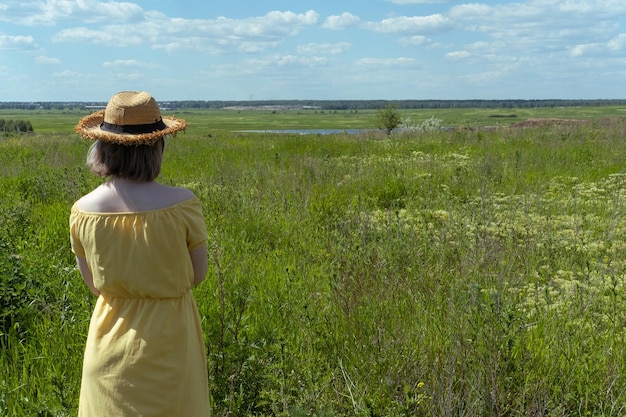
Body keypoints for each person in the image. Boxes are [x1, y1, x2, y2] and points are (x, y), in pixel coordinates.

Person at [70, 91, 211, 416]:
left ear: (103, 146)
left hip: (108, 351)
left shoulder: (83, 211)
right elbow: (198, 274)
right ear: (157, 147)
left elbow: (94, 285)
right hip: (172, 346)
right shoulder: (182, 204)